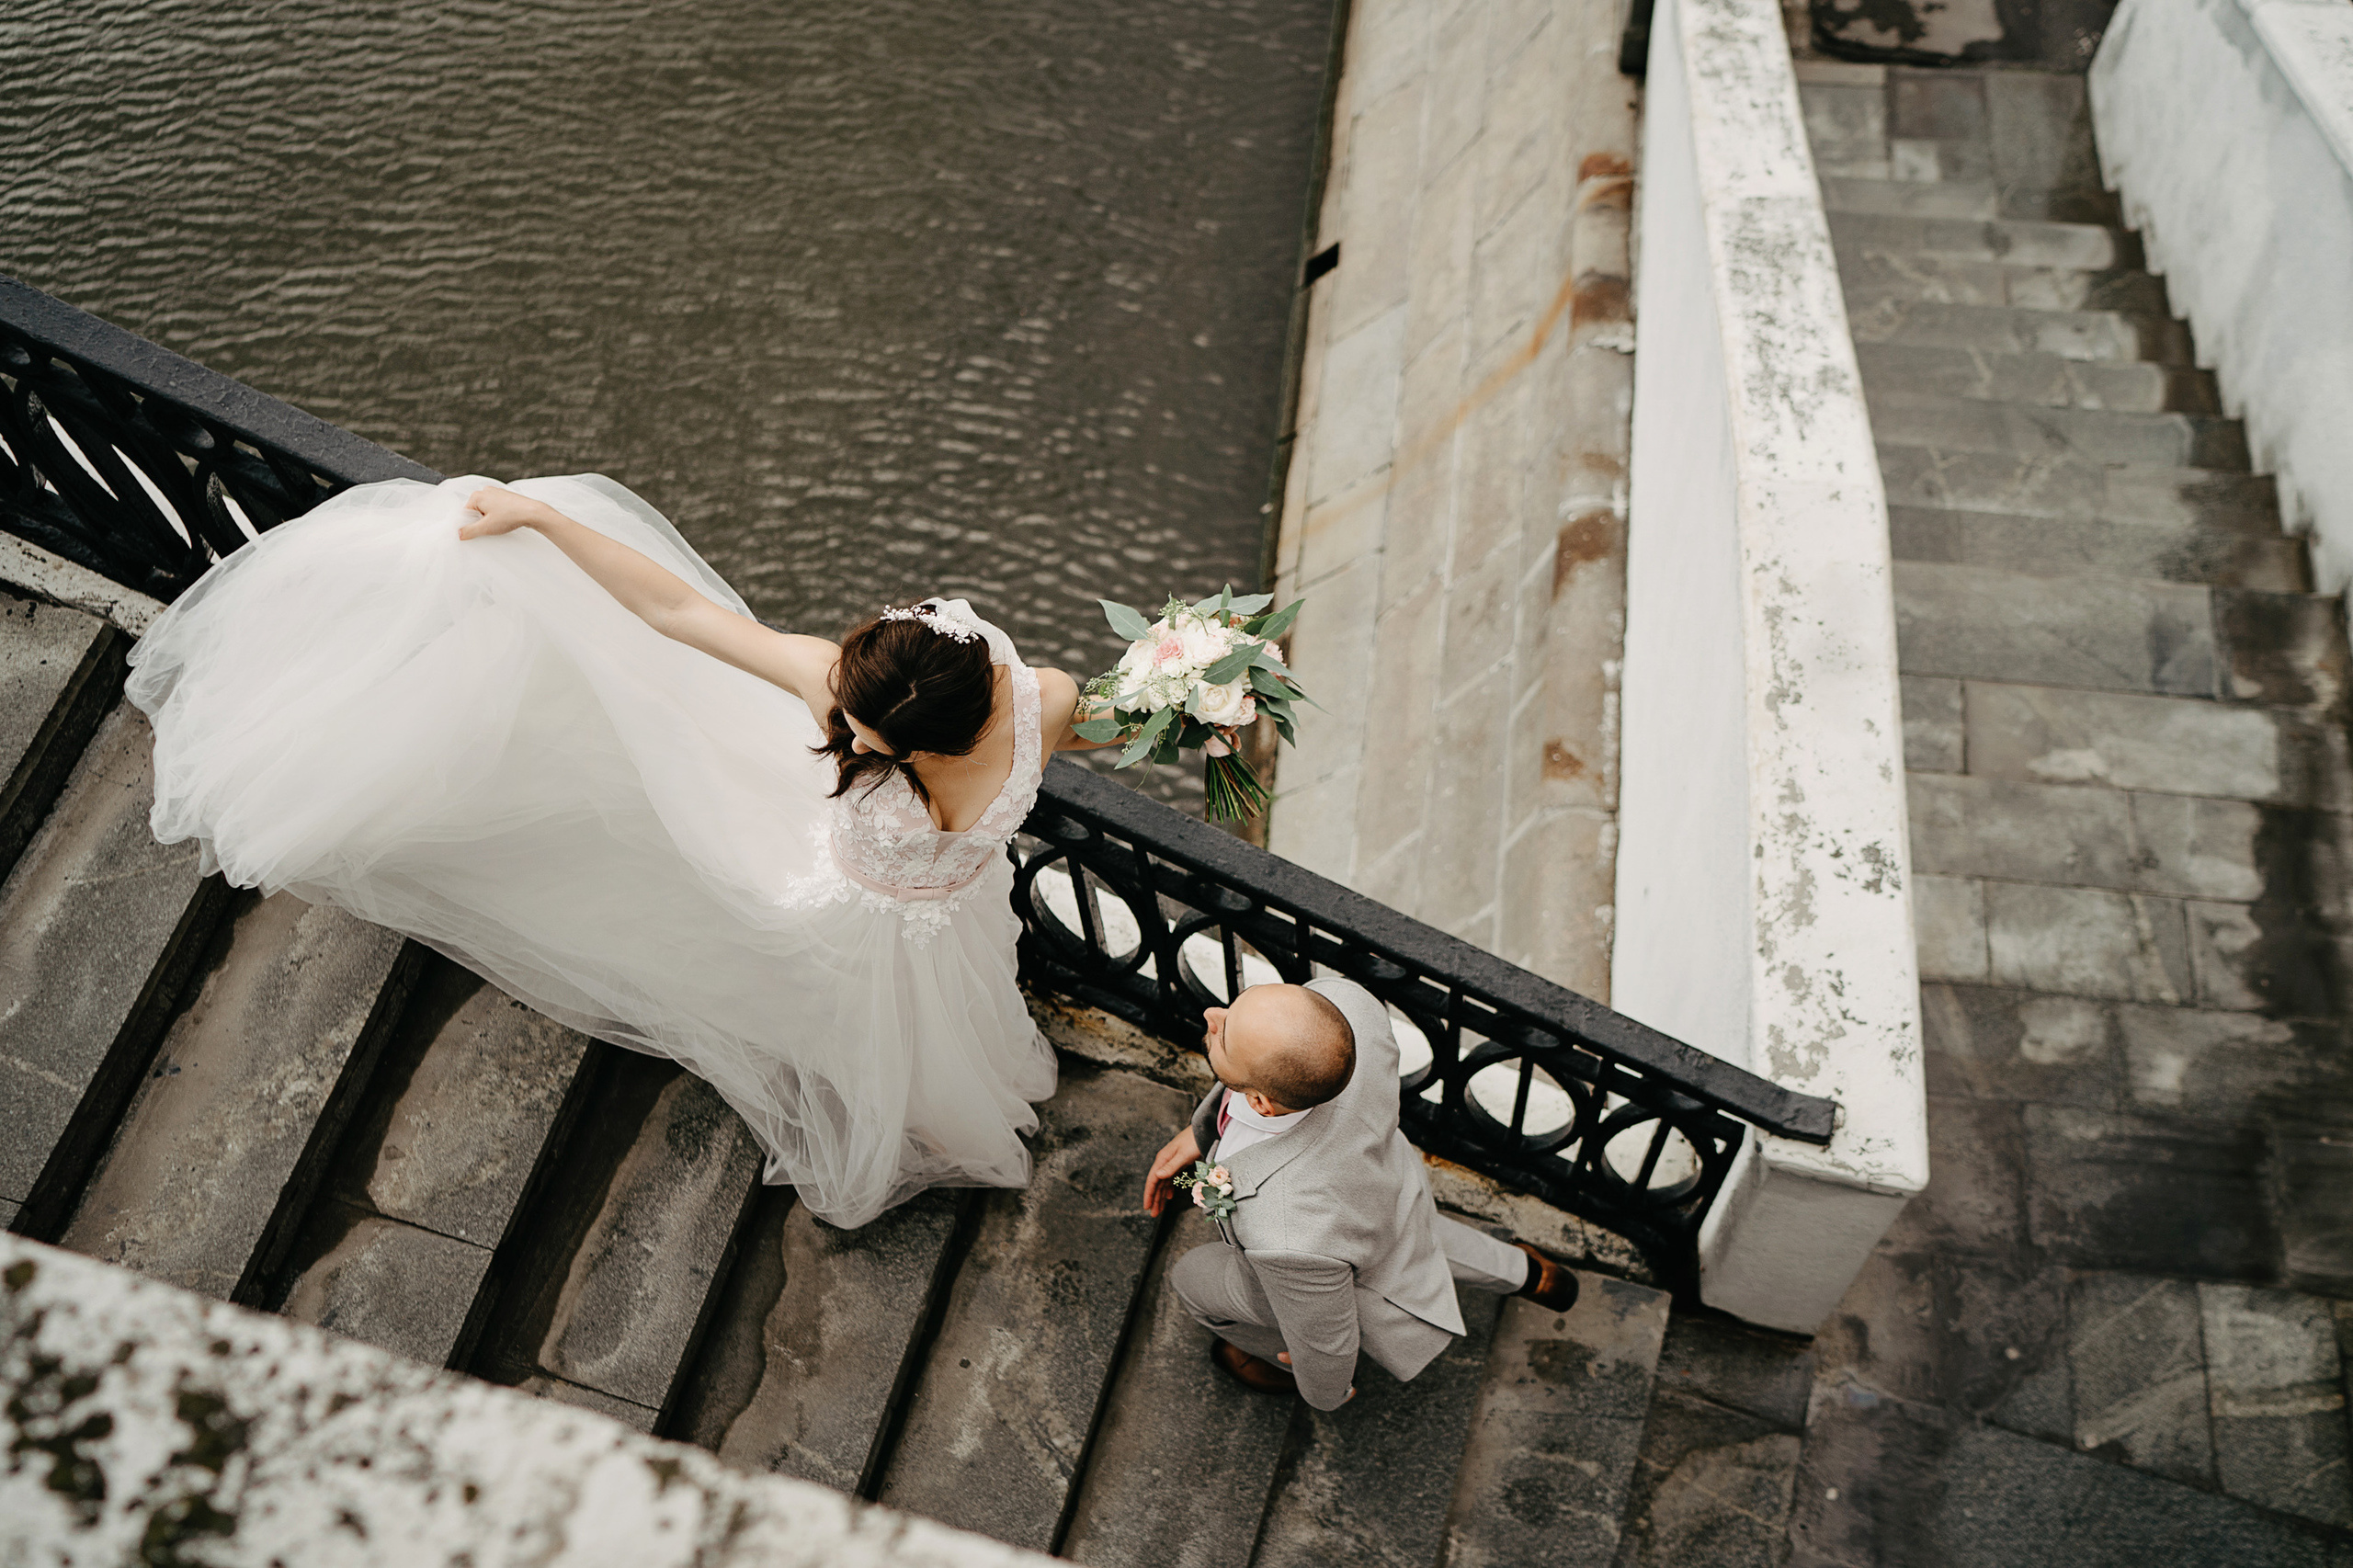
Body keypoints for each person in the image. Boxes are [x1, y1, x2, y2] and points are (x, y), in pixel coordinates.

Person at [128, 472, 1111, 1229]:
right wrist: (546, 523)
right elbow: (679, 613)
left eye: (875, 744)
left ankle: (926, 1102)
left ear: (948, 732)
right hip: (830, 905)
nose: (849, 741)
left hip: (939, 919)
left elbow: (1101, 725)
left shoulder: (1047, 703)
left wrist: (1198, 707)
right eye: (851, 723)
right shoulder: (829, 682)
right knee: (838, 1012)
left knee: (926, 1020)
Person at [1141, 978, 1580, 1408]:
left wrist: (1326, 1391)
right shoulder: (1346, 1004)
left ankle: (1271, 1355)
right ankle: (1536, 1275)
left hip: (1307, 1253)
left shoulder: (1287, 1240)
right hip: (1388, 1184)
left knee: (1191, 1281)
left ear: (1261, 1103)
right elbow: (1264, 1067)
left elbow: (1324, 1337)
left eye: (1225, 1032)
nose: (1211, 1014)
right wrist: (1201, 1136)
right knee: (1413, 1235)